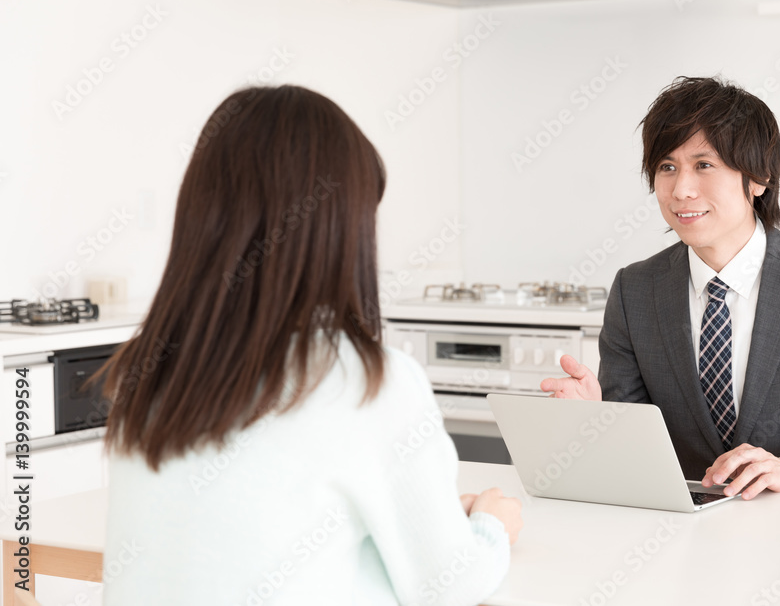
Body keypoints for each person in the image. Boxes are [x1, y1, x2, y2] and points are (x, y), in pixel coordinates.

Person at [99, 85, 522, 605]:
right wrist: (490, 525)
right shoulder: (369, 380)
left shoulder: (146, 372)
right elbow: (450, 586)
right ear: (339, 230)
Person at [542, 76, 780, 498]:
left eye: (704, 165)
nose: (681, 189)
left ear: (759, 179)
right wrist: (597, 421)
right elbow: (636, 452)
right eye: (667, 167)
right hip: (681, 539)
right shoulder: (635, 290)